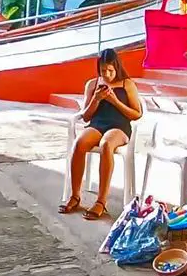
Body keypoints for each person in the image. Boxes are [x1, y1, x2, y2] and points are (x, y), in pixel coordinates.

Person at [60, 49, 143, 220]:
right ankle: (75, 196)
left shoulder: (127, 84)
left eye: (110, 70)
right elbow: (86, 116)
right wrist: (96, 99)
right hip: (97, 124)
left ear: (117, 68)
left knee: (107, 144)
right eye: (103, 70)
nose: (106, 74)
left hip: (119, 126)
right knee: (79, 143)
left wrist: (115, 101)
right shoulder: (92, 84)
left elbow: (136, 114)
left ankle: (101, 201)